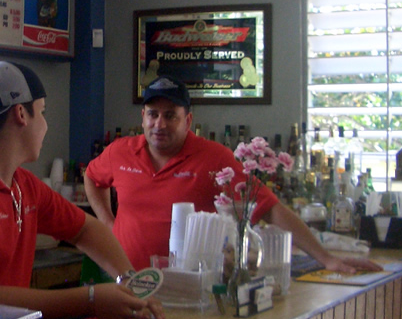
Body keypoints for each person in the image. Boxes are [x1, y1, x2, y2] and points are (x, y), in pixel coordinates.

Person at [0, 61, 163, 319]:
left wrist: (129, 282)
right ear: (21, 114)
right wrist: (90, 299)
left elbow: (86, 230)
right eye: (43, 112)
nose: (46, 125)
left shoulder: (23, 184)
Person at [84, 75, 381, 274]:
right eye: (153, 114)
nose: (159, 124)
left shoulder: (214, 159)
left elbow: (270, 208)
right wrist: (108, 222)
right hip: (126, 278)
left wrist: (327, 259)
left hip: (188, 283)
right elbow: (92, 178)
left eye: (170, 115)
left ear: (187, 120)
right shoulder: (120, 151)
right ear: (143, 117)